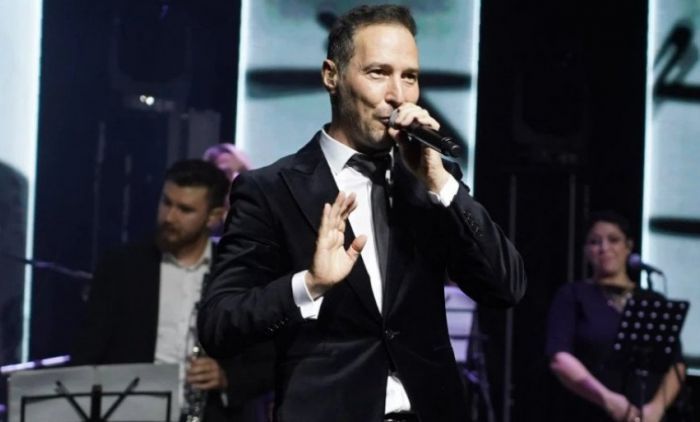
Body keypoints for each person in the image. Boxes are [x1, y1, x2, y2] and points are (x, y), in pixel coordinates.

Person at [198, 5, 526, 422]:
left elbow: (505, 287)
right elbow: (219, 324)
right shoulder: (271, 190)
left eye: (410, 77)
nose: (398, 95)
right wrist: (310, 284)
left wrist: (440, 183)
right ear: (331, 76)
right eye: (378, 73)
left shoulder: (429, 184)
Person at [73, 159, 273, 422]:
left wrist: (227, 377)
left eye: (185, 209)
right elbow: (88, 352)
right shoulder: (121, 266)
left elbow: (268, 359)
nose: (169, 217)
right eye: (166, 203)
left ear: (214, 217)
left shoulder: (238, 274)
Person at [546, 211, 686, 422]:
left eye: (613, 240)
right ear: (586, 251)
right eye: (595, 242)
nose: (604, 248)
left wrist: (656, 408)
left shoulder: (651, 299)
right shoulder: (573, 295)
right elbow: (559, 357)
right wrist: (608, 399)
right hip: (590, 412)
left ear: (628, 246)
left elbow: (676, 363)